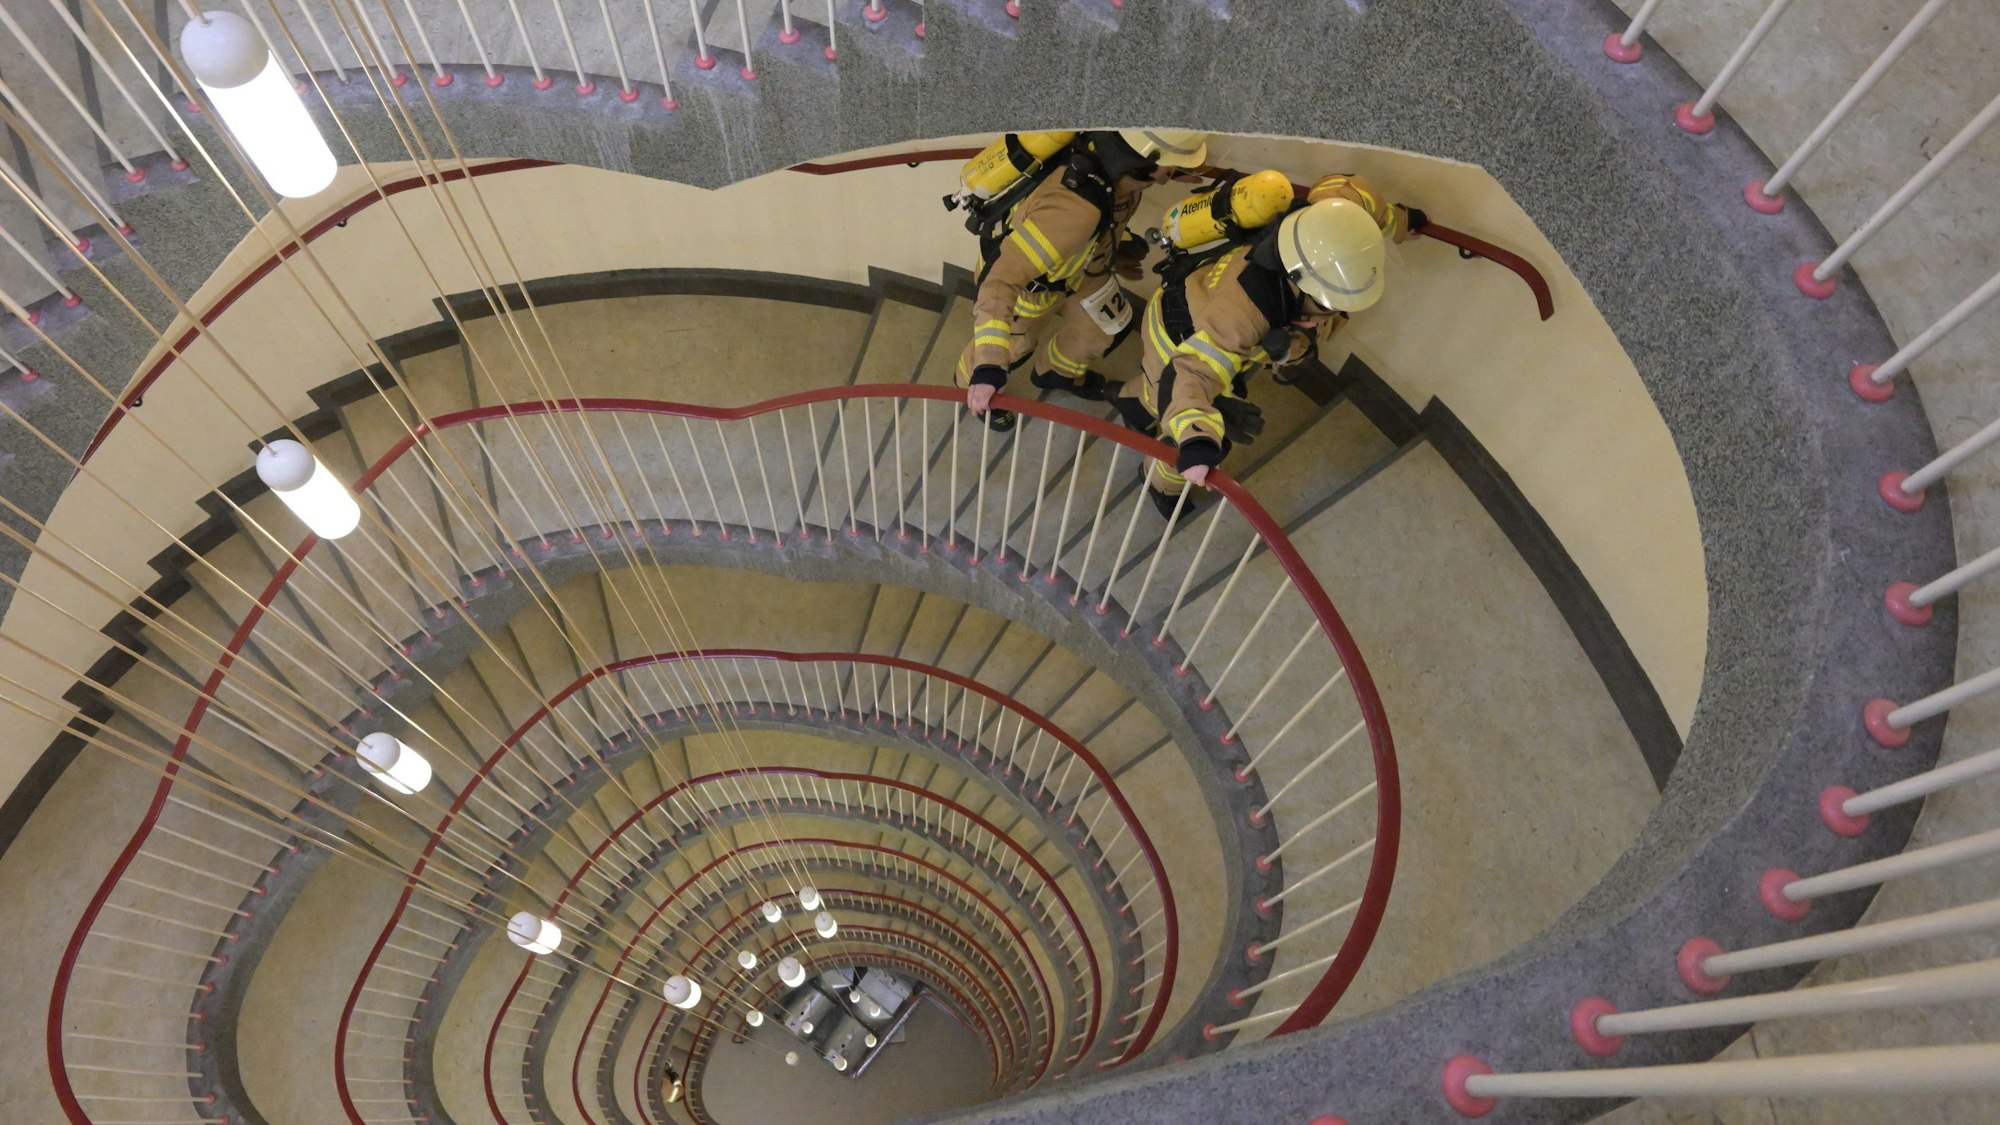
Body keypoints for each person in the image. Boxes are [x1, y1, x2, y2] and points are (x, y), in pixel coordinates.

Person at [1118, 172, 1423, 515]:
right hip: (1178, 343)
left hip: (1190, 302)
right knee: (1180, 427)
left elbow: (1350, 188)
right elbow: (1190, 372)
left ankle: (1132, 403)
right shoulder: (1246, 310)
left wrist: (1398, 222)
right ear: (1301, 284)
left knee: (1157, 388)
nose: (1332, 312)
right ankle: (1160, 483)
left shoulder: (1325, 222)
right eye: (1326, 304)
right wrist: (1198, 439)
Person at [957, 129, 1210, 431]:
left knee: (1104, 327)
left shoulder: (1113, 172)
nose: (1173, 172)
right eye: (1171, 164)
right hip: (1031, 289)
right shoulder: (1075, 209)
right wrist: (989, 365)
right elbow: (1000, 282)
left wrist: (1115, 254)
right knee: (1014, 346)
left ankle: (1056, 373)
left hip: (1079, 272)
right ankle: (969, 388)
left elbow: (1101, 224)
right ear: (1143, 159)